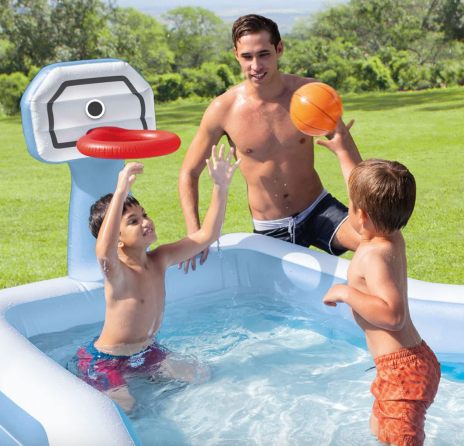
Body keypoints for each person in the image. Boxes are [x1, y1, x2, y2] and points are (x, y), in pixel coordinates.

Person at [178, 14, 363, 272]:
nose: (256, 65)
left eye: (264, 54)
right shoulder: (223, 109)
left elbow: (349, 150)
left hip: (318, 210)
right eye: (247, 57)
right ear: (236, 54)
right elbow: (189, 172)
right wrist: (195, 234)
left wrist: (368, 207)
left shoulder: (310, 94)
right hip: (271, 229)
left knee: (373, 242)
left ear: (279, 49)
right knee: (278, 307)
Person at [76, 145, 241, 413]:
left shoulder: (159, 259)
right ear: (116, 237)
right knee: (125, 409)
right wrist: (120, 192)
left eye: (144, 214)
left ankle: (150, 380)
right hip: (106, 360)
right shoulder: (117, 271)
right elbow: (103, 252)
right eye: (132, 221)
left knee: (201, 375)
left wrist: (220, 187)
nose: (145, 222)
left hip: (146, 353)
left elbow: (206, 236)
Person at [321, 151, 441, 446]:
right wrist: (341, 149)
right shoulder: (391, 235)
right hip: (404, 365)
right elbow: (359, 186)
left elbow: (392, 314)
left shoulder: (374, 256)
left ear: (361, 215)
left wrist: (346, 293)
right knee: (379, 431)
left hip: (402, 373)